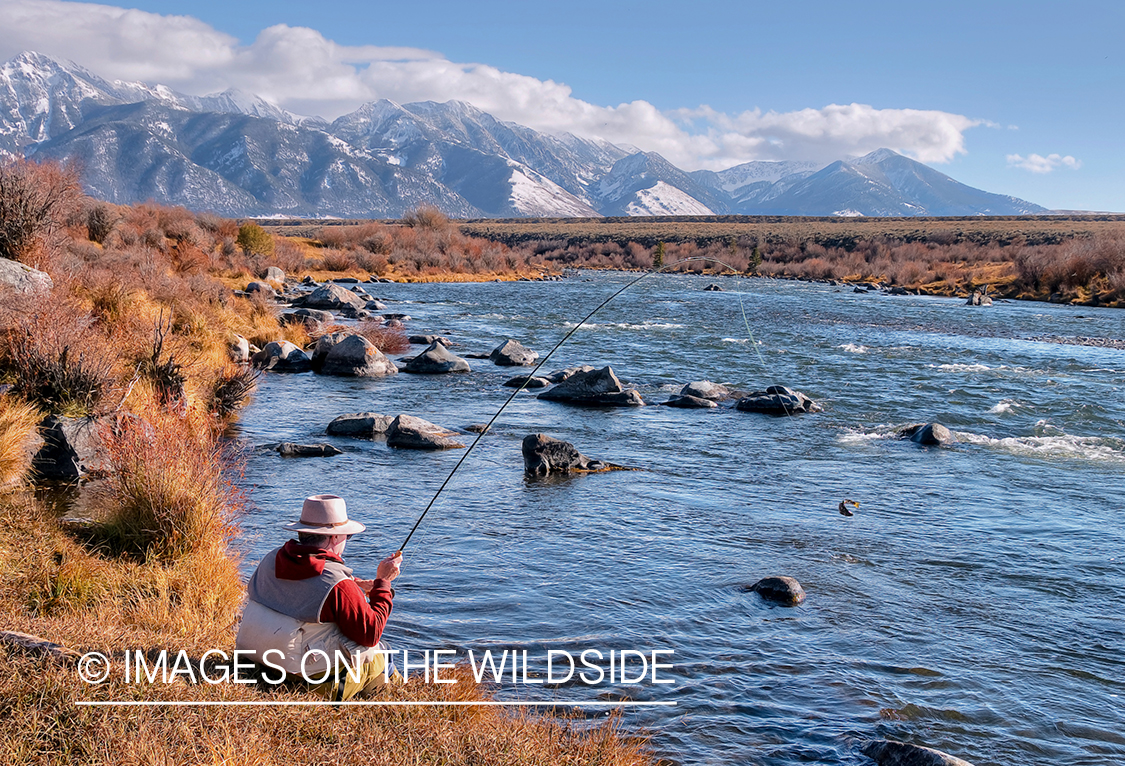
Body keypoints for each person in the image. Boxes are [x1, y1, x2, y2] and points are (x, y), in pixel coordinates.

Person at [236, 494, 403, 700]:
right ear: (334, 537)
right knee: (380, 653)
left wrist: (355, 584)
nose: (346, 541)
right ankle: (393, 698)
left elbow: (302, 583)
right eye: (346, 536)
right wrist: (383, 582)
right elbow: (371, 633)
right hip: (303, 682)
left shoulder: (271, 559)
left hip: (258, 663)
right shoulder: (338, 586)